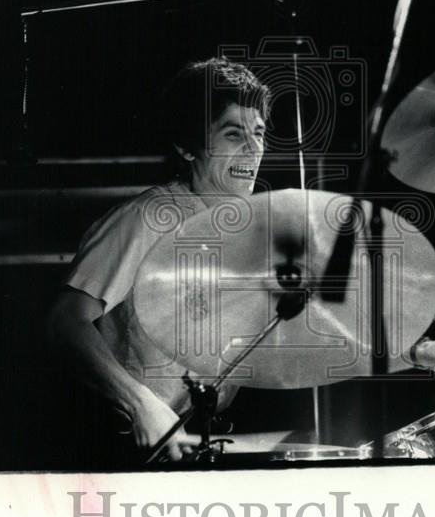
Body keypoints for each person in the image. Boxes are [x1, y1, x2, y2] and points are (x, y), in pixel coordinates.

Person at [47, 57, 270, 464]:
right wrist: (141, 404)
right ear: (187, 147)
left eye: (259, 133)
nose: (254, 149)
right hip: (130, 450)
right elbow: (65, 320)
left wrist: (411, 352)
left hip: (196, 443)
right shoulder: (146, 219)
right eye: (234, 134)